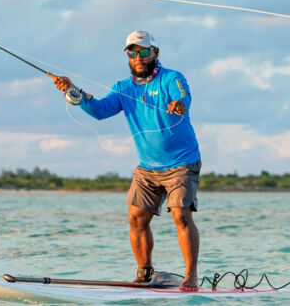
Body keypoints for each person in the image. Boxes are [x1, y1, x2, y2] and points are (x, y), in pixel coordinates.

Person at [49, 30, 203, 291]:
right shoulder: (123, 88)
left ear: (155, 52)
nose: (138, 58)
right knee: (136, 218)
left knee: (181, 215)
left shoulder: (171, 78)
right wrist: (72, 90)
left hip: (182, 163)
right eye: (133, 53)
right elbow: (100, 111)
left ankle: (191, 276)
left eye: (143, 52)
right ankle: (144, 273)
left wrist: (180, 104)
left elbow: (183, 95)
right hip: (148, 168)